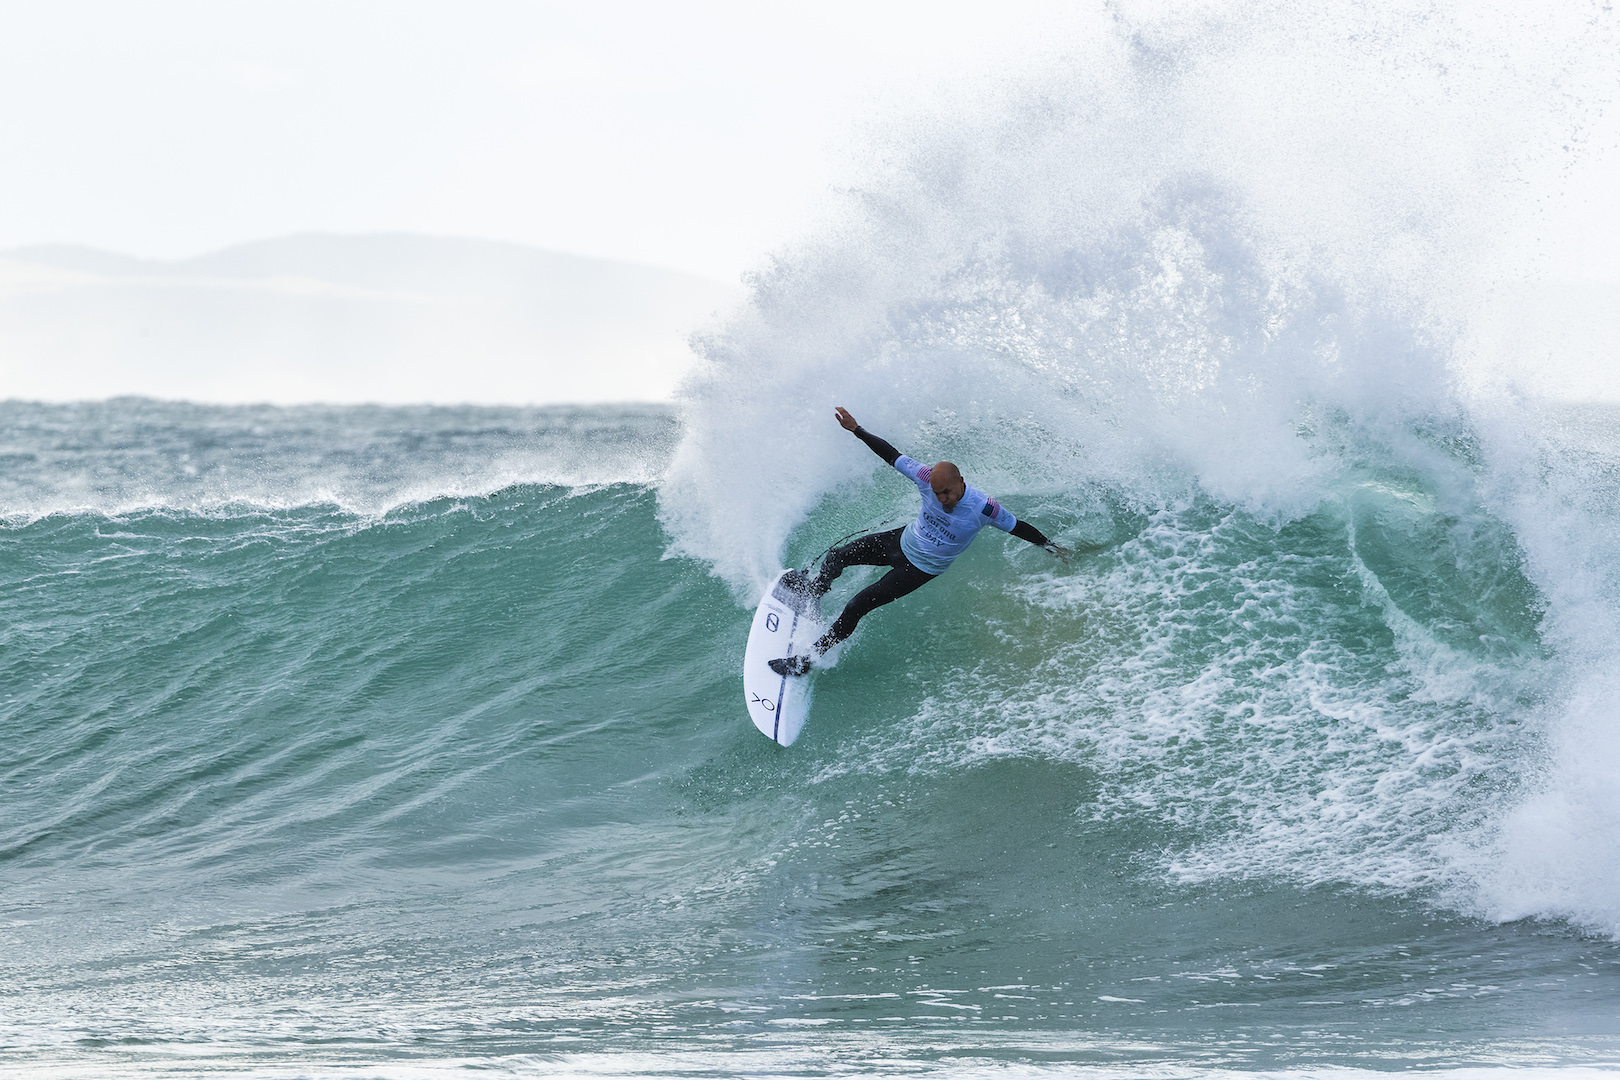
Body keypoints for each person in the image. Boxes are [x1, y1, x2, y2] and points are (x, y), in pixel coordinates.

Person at [769, 406, 1070, 676]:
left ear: (961, 482)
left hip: (919, 569)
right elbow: (891, 455)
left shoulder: (984, 509)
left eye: (947, 493)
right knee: (838, 556)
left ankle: (805, 660)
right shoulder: (926, 477)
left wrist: (1049, 545)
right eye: (937, 494)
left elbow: (1018, 527)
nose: (942, 499)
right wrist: (856, 429)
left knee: (856, 606)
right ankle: (815, 591)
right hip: (901, 540)